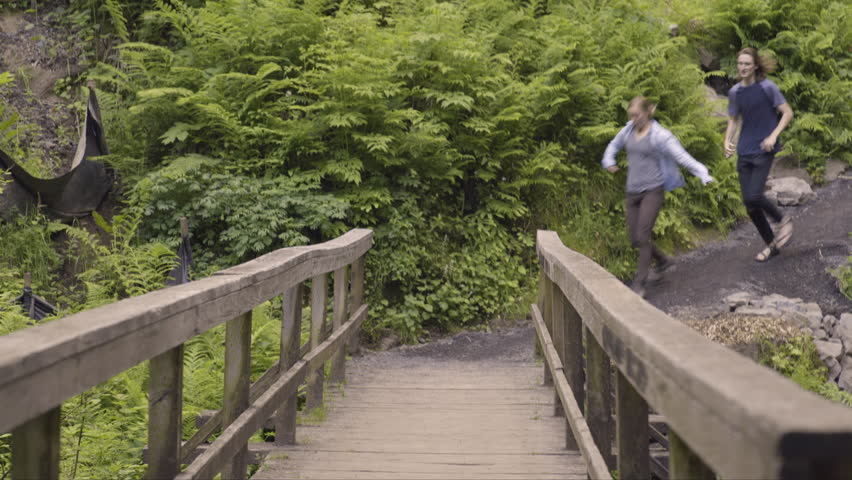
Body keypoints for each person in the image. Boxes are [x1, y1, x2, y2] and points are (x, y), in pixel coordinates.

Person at [602, 96, 714, 297]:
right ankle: (662, 260)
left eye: (636, 115)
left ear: (647, 113)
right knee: (634, 239)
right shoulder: (627, 130)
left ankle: (639, 284)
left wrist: (702, 172)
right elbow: (613, 145)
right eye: (631, 115)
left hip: (653, 190)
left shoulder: (660, 135)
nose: (633, 119)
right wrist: (609, 160)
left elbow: (681, 156)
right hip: (632, 191)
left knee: (643, 236)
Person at [725, 47, 794, 262]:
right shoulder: (735, 92)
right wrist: (727, 141)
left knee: (754, 195)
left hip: (764, 149)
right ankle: (772, 245)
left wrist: (773, 136)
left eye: (747, 63)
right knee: (749, 204)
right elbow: (734, 119)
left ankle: (783, 219)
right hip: (744, 150)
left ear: (755, 66)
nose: (742, 67)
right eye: (740, 63)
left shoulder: (767, 87)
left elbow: (787, 113)